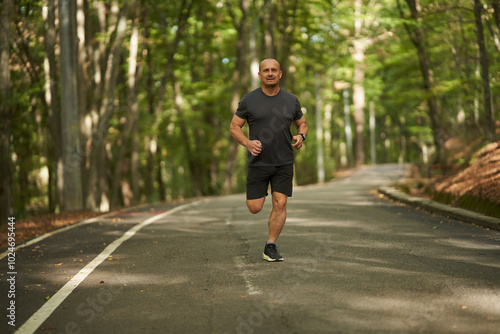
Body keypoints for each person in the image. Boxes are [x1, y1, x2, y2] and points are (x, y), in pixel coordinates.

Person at [229, 58, 308, 262]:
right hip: (259, 162)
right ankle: (259, 200)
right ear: (260, 75)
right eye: (266, 70)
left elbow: (302, 124)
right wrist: (247, 143)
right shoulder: (249, 100)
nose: (270, 73)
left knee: (280, 203)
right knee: (254, 208)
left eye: (274, 70)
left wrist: (301, 135)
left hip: (283, 161)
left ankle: (270, 246)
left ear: (280, 74)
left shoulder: (291, 100)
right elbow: (234, 127)